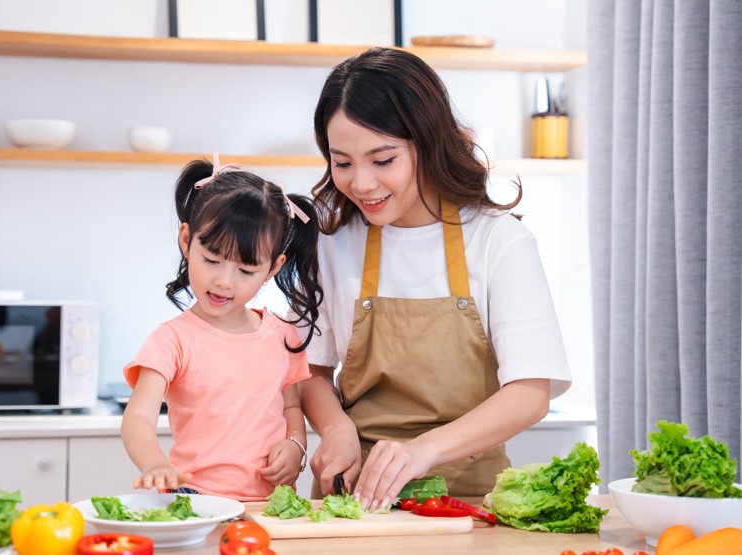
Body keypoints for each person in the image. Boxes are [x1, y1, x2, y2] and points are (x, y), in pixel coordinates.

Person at [298, 47, 572, 508]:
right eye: (342, 163)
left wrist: (424, 450)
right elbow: (308, 370)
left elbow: (530, 392)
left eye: (383, 160)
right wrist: (335, 427)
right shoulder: (330, 244)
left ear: (429, 142)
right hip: (353, 498)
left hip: (471, 499)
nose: (361, 183)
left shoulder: (499, 242)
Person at [121, 154, 322, 501]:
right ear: (187, 241)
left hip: (272, 505)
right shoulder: (172, 340)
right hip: (196, 500)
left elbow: (291, 409)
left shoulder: (281, 335)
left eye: (246, 271)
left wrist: (295, 446)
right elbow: (138, 416)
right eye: (212, 260)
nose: (224, 281)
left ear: (273, 268)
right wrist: (154, 463)